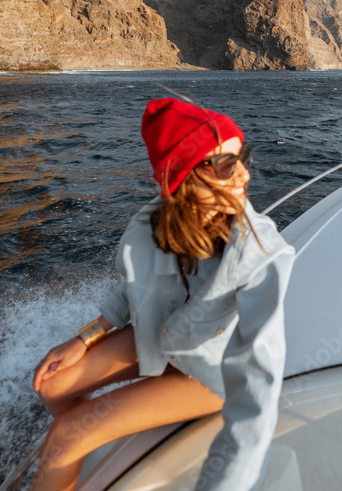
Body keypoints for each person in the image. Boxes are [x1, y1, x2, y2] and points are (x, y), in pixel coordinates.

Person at [30, 97, 295, 491]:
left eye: (243, 158)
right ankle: (82, 451)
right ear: (182, 179)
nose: (243, 176)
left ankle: (73, 443)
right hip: (161, 340)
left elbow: (259, 383)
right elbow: (139, 287)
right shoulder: (156, 222)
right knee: (51, 384)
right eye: (225, 164)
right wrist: (88, 335)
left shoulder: (260, 252)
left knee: (66, 437)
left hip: (209, 374)